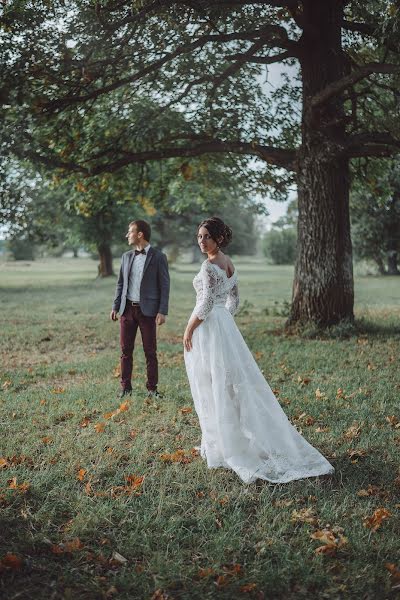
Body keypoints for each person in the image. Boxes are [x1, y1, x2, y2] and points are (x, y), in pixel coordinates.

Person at [183, 216, 334, 484]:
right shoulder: (229, 263)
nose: (201, 241)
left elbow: (205, 303)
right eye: (199, 237)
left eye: (206, 236)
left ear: (218, 238)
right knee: (224, 382)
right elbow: (234, 300)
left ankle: (226, 447)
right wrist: (225, 321)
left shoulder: (209, 266)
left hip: (208, 327)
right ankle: (223, 441)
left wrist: (190, 329)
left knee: (213, 382)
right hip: (222, 328)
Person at [111, 220, 170, 399]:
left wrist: (162, 310)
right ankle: (125, 388)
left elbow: (165, 285)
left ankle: (152, 389)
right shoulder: (126, 256)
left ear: (140, 234)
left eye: (130, 232)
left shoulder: (159, 257)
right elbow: (121, 283)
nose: (127, 235)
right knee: (125, 351)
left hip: (148, 311)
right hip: (127, 310)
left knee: (150, 351)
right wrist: (115, 306)